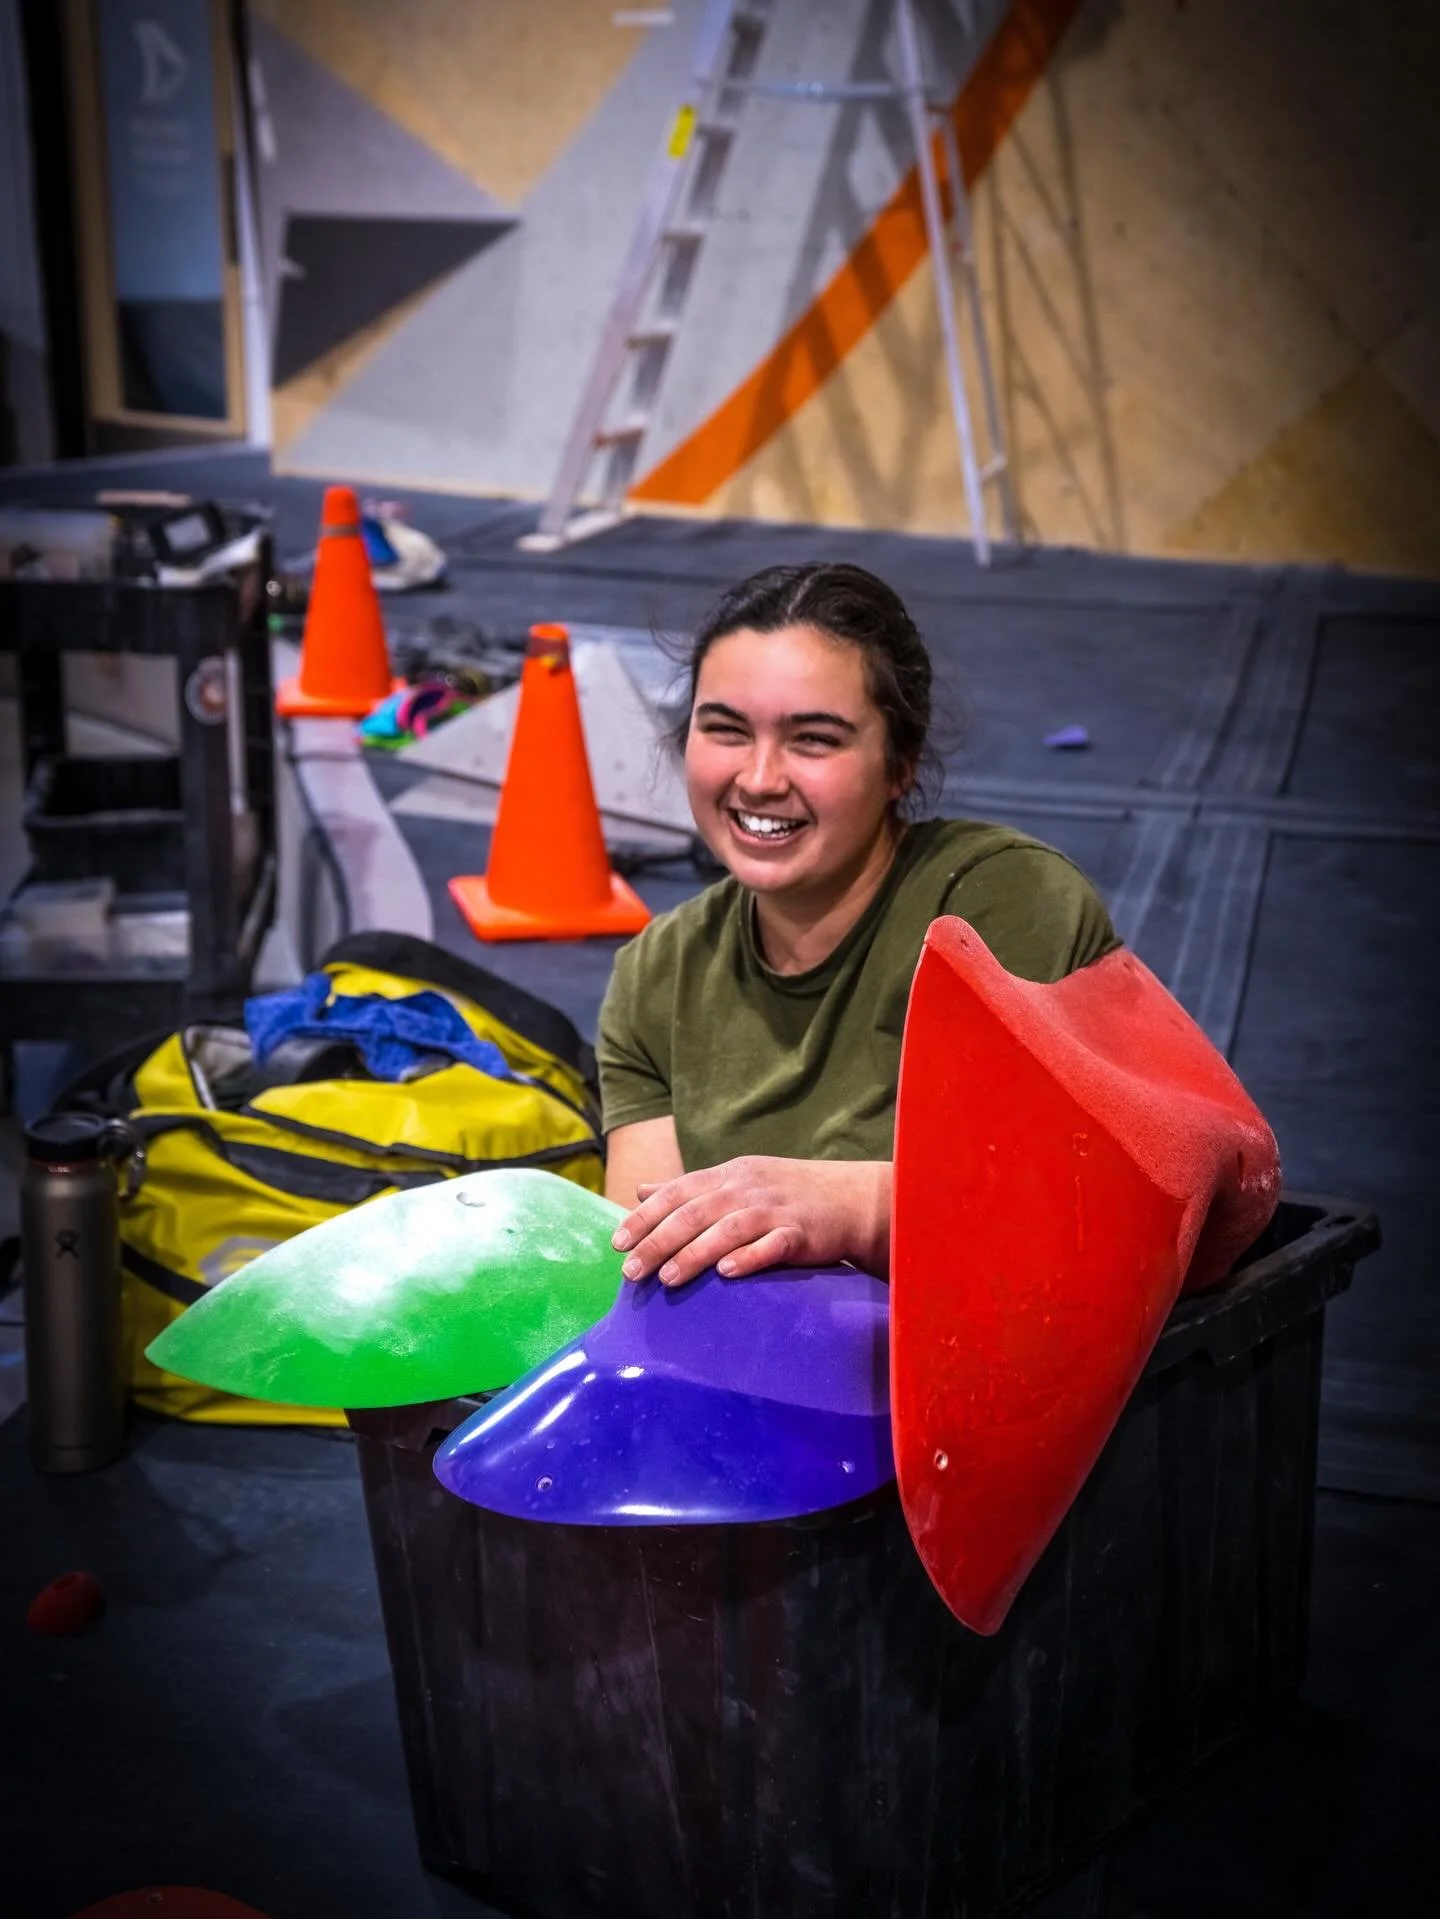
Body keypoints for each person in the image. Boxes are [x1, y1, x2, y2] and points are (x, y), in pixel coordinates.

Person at [597, 562, 1119, 1288]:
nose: (758, 778)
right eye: (725, 730)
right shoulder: (658, 973)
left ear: (899, 764)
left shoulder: (999, 903)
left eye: (813, 739)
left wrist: (856, 1206)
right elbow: (646, 1270)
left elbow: (1058, 1214)